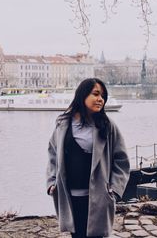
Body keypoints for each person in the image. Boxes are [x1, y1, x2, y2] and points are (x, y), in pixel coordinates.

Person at [46, 78, 130, 238]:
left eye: (103, 96)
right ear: (82, 95)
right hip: (69, 197)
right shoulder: (63, 124)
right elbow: (53, 154)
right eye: (96, 94)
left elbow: (122, 160)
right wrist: (51, 182)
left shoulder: (107, 126)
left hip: (98, 197)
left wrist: (114, 189)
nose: (101, 99)